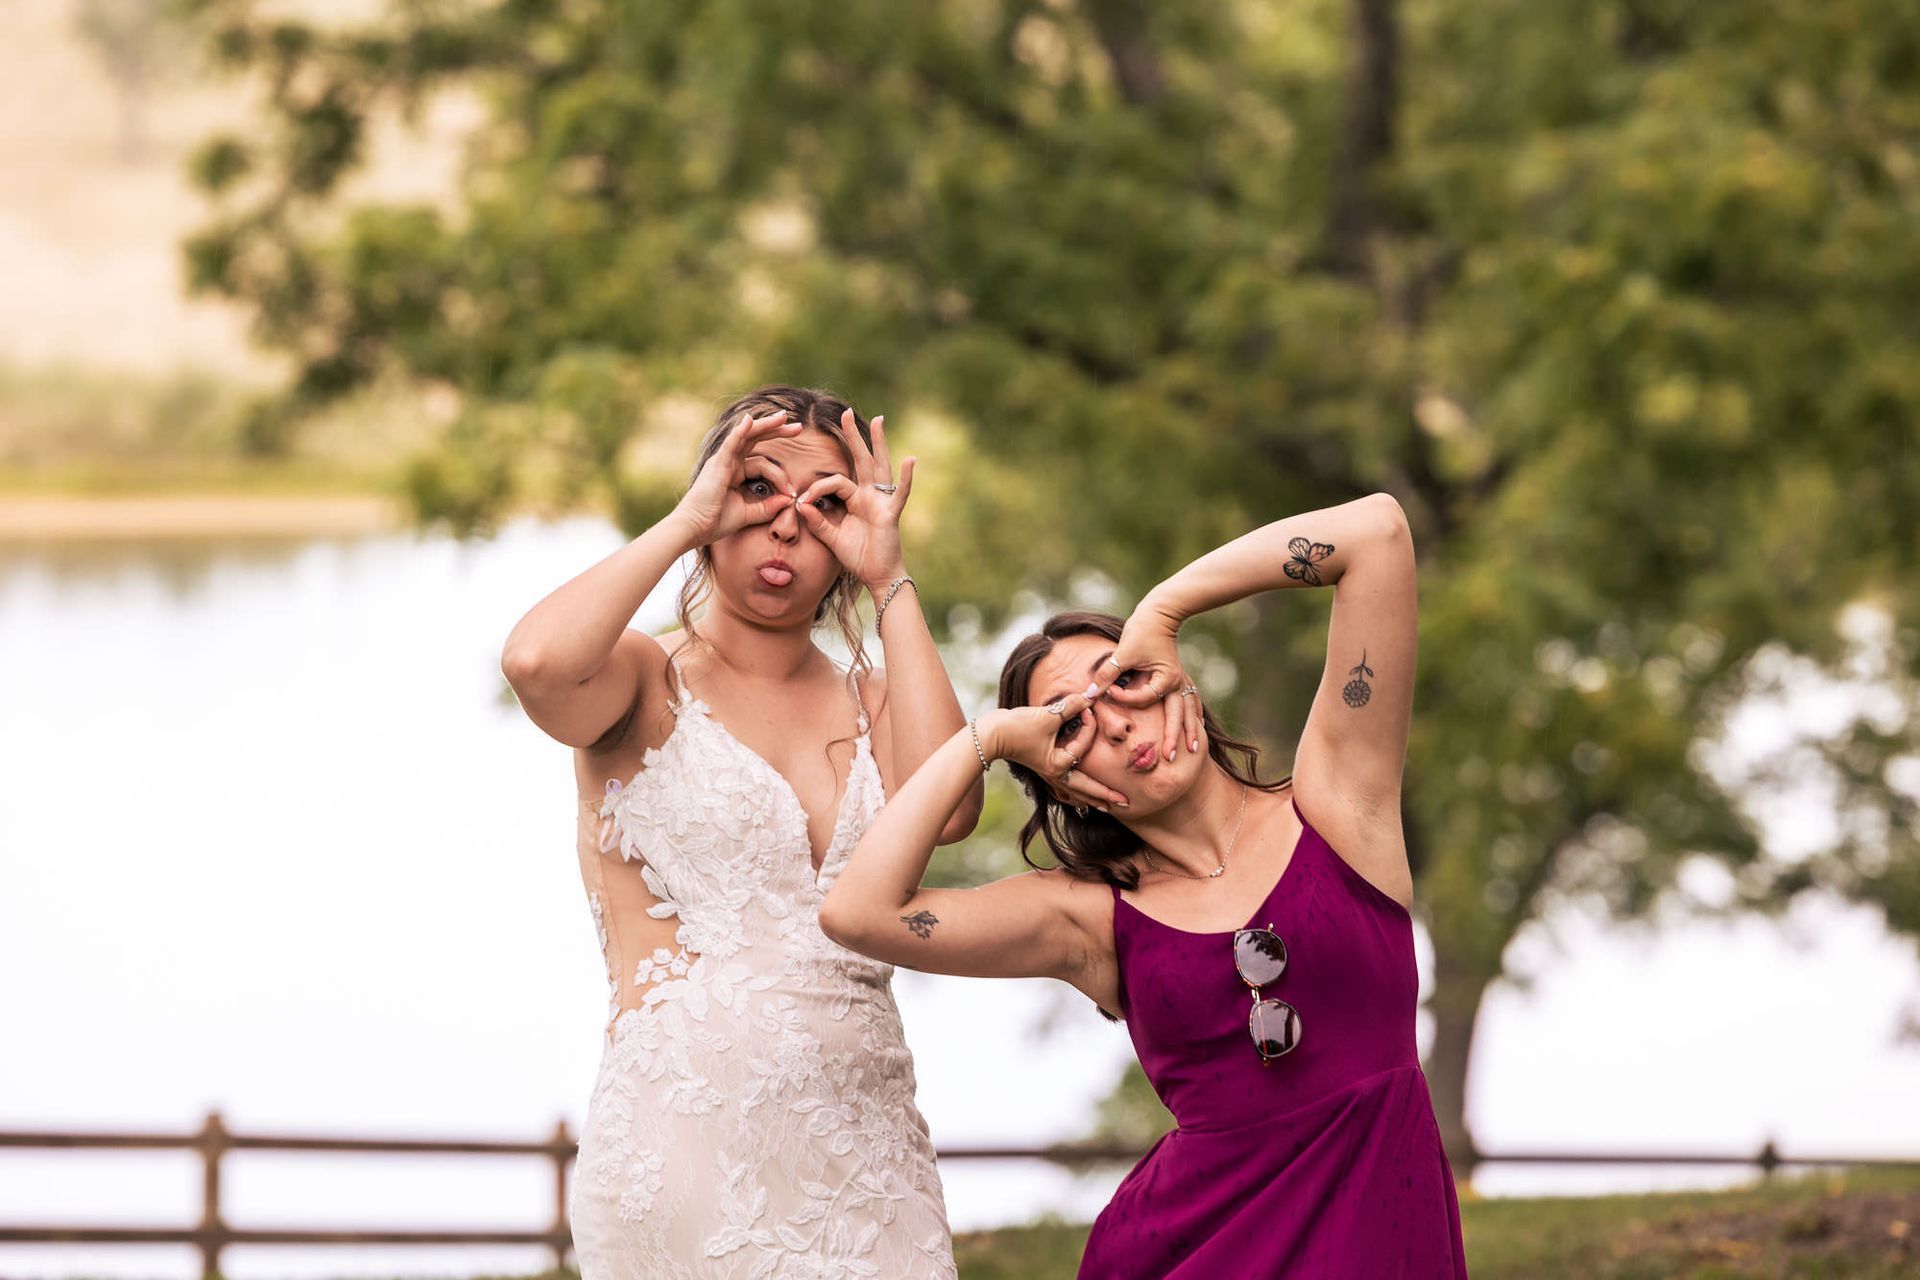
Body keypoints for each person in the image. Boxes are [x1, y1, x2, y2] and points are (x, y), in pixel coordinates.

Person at [820, 494, 1468, 1278]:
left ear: (1175, 679)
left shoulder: (1338, 804)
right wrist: (986, 741)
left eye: (1122, 677)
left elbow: (1377, 533)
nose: (1119, 722)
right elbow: (858, 912)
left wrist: (1166, 606)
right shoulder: (1089, 918)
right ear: (1068, 786)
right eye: (1070, 726)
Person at [502, 385, 980, 1280]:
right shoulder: (643, 680)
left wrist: (888, 577)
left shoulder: (877, 700)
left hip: (869, 1160)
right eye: (757, 490)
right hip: (686, 1151)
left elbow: (948, 809)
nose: (787, 528)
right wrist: (687, 518)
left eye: (825, 503)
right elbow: (535, 664)